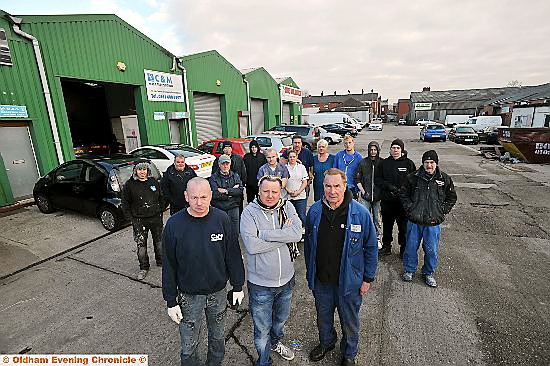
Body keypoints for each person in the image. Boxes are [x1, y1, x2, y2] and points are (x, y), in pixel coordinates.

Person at [162, 177, 245, 366]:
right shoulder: (174, 225)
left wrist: (238, 285)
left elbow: (232, 254)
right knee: (189, 345)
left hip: (218, 293)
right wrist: (171, 300)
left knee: (217, 339)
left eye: (204, 197)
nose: (199, 203)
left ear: (211, 196)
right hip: (189, 296)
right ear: (186, 196)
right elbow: (169, 264)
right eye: (194, 198)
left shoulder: (222, 219)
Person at [304, 168, 378, 366]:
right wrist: (311, 274)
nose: (332, 191)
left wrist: (367, 279)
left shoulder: (360, 213)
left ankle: (349, 352)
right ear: (323, 186)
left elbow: (371, 248)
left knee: (349, 321)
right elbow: (309, 246)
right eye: (328, 186)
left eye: (337, 186)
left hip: (349, 282)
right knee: (323, 317)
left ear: (345, 187)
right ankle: (327, 342)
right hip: (322, 281)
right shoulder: (315, 211)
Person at [240, 175, 303, 366]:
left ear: (280, 192)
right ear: (259, 191)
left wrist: (265, 235)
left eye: (274, 191)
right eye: (266, 191)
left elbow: (298, 233)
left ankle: (276, 343)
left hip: (286, 281)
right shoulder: (249, 213)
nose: (270, 195)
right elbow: (251, 245)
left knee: (280, 320)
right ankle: (264, 361)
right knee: (262, 330)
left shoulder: (287, 207)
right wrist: (284, 235)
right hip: (261, 285)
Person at [400, 150, 457, 288]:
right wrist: (410, 209)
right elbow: (403, 194)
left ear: (436, 163)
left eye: (432, 162)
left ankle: (428, 273)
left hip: (433, 222)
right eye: (426, 162)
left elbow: (452, 197)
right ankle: (409, 270)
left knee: (431, 249)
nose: (429, 165)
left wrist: (442, 211)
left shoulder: (444, 179)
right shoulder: (412, 177)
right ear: (423, 163)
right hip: (415, 221)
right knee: (411, 247)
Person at [121, 162, 165, 280]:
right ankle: (144, 267)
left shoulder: (153, 181)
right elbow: (125, 204)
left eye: (144, 169)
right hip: (139, 220)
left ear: (147, 170)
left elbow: (161, 197)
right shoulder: (129, 185)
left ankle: (161, 262)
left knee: (159, 242)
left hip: (155, 218)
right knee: (141, 246)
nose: (142, 172)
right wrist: (132, 219)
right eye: (139, 169)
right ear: (135, 171)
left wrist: (160, 210)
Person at [378, 139, 416, 257]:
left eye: (398, 148)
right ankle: (386, 246)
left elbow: (414, 182)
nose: (395, 150)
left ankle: (403, 249)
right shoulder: (384, 163)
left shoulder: (409, 164)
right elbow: (378, 180)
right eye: (393, 148)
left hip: (402, 204)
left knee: (403, 228)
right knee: (387, 226)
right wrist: (389, 187)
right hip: (387, 202)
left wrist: (404, 192)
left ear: (402, 150)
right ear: (390, 150)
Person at [355, 141, 383, 246]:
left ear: (378, 150)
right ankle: (365, 238)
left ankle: (377, 238)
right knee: (364, 218)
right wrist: (363, 192)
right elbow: (357, 179)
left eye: (375, 150)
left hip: (378, 197)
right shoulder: (363, 162)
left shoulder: (382, 162)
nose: (373, 152)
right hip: (365, 197)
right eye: (371, 150)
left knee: (377, 219)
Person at [209, 155, 244, 238]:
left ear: (230, 164)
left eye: (227, 164)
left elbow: (240, 190)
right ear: (219, 164)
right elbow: (214, 194)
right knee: (220, 233)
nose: (225, 166)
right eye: (223, 164)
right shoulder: (213, 178)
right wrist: (231, 193)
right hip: (219, 208)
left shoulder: (235, 176)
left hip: (233, 207)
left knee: (235, 233)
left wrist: (226, 191)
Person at [212, 141, 247, 214]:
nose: (227, 149)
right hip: (222, 198)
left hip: (235, 191)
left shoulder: (238, 158)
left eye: (229, 147)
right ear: (223, 149)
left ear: (231, 149)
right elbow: (215, 175)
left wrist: (242, 185)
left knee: (237, 215)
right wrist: (230, 193)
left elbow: (243, 172)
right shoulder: (218, 160)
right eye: (225, 148)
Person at [285, 150, 309, 228]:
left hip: (300, 196)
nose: (292, 158)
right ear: (288, 158)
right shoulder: (284, 168)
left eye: (294, 157)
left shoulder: (301, 167)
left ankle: (304, 232)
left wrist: (298, 192)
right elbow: (282, 182)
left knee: (301, 215)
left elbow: (305, 182)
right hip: (288, 196)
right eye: (290, 157)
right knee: (290, 217)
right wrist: (289, 191)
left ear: (296, 157)